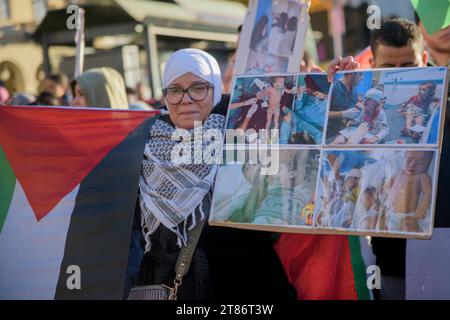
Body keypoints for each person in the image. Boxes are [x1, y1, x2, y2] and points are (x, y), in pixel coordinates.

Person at [135, 48, 296, 300]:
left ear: (216, 89)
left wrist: (334, 81)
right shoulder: (144, 145)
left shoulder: (244, 134)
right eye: (175, 90)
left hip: (247, 288)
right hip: (173, 291)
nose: (186, 99)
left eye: (198, 88)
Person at [384, 151, 433, 232]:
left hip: (408, 216)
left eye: (420, 162)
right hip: (391, 213)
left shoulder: (422, 176)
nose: (412, 164)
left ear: (427, 165)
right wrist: (383, 190)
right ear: (403, 159)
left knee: (410, 230)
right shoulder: (399, 172)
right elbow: (388, 185)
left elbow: (428, 192)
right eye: (409, 160)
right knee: (389, 230)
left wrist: (422, 209)